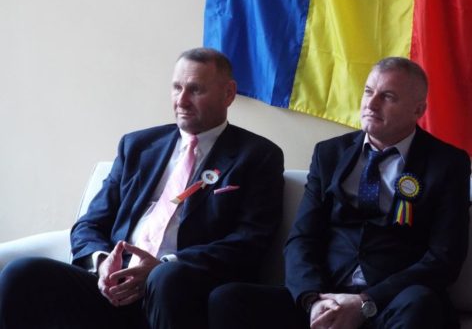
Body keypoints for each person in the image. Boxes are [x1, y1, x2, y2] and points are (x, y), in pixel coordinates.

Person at [0, 47, 284, 329]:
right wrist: (102, 262)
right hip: (114, 283)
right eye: (176, 88)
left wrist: (165, 264)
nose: (181, 100)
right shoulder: (137, 146)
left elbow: (249, 241)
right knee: (22, 273)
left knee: (166, 278)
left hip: (183, 286)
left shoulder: (257, 155)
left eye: (195, 90)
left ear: (228, 93)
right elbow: (90, 223)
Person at [209, 57, 471, 329]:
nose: (371, 104)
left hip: (391, 303)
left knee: (421, 304)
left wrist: (366, 302)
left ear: (418, 109)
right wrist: (313, 300)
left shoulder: (447, 164)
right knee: (228, 299)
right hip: (327, 296)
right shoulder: (329, 153)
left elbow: (444, 258)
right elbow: (302, 238)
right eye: (368, 92)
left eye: (388, 96)